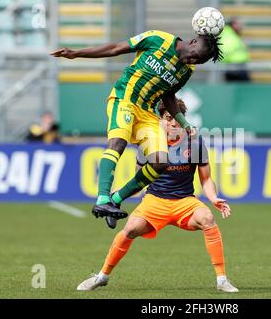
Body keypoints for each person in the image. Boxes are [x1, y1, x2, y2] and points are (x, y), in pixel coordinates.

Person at [51, 30, 223, 226]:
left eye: (199, 61)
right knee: (117, 143)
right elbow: (116, 48)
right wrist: (77, 53)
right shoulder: (158, 39)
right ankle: (103, 199)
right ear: (192, 42)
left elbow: (168, 96)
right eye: (195, 55)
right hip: (124, 99)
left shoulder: (186, 70)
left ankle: (116, 199)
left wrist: (185, 124)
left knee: (160, 162)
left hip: (147, 112)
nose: (193, 60)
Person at [76, 99, 238, 293]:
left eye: (177, 118)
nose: (174, 123)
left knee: (207, 218)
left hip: (185, 201)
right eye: (169, 118)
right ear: (160, 119)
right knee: (130, 229)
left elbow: (206, 179)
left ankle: (222, 280)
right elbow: (139, 180)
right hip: (154, 201)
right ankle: (102, 276)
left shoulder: (195, 141)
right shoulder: (150, 142)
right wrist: (117, 198)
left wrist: (213, 198)